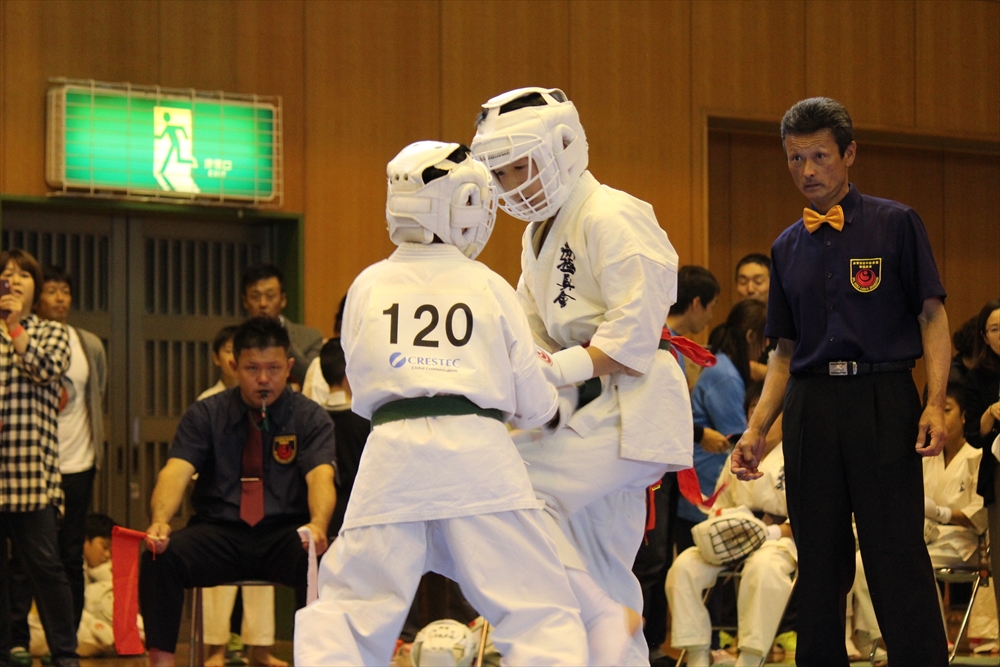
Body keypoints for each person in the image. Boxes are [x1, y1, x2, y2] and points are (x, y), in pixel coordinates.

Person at [293, 141, 588, 665]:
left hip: (390, 455)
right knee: (536, 606)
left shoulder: (367, 285)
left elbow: (358, 385)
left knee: (351, 606)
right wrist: (552, 409)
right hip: (478, 458)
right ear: (462, 203)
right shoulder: (488, 285)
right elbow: (532, 398)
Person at [471, 87, 693, 665]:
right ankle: (609, 631)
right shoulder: (535, 234)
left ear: (563, 147)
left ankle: (595, 615)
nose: (509, 185)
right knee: (600, 562)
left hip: (631, 405)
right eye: (498, 173)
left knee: (510, 484)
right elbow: (529, 330)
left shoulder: (614, 213)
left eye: (518, 167)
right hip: (585, 407)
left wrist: (557, 367)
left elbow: (635, 328)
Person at [732, 96, 951, 666]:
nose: (807, 170)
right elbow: (783, 352)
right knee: (819, 557)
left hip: (882, 397)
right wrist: (757, 427)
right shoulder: (785, 247)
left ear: (849, 154)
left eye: (820, 156)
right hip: (810, 405)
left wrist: (934, 401)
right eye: (795, 158)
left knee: (895, 551)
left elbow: (932, 318)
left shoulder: (896, 223)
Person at [139, 316, 335, 667]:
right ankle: (162, 663)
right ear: (234, 366)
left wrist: (319, 525)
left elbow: (321, 476)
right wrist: (160, 521)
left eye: (273, 368)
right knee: (159, 556)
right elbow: (175, 472)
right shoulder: (206, 414)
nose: (263, 379)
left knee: (329, 559)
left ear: (289, 366)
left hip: (284, 534)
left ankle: (322, 661)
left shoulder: (310, 417)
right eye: (252, 368)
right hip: (218, 532)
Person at [5, 266, 107, 667]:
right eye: (53, 290)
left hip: (63, 463)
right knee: (19, 563)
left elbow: (84, 389)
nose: (60, 298)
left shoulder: (76, 340)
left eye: (66, 291)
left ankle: (65, 646)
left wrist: (15, 327)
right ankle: (15, 640)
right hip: (15, 461)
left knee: (61, 557)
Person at [853, 382, 998, 656]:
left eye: (947, 409)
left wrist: (940, 512)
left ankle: (933, 644)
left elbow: (979, 516)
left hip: (963, 544)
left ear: (964, 416)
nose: (940, 417)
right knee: (863, 562)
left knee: (914, 562)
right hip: (924, 535)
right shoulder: (926, 455)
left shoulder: (977, 456)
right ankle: (885, 641)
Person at [667, 382, 795, 667]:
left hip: (781, 540)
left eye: (769, 411)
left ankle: (750, 657)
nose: (759, 418)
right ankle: (698, 654)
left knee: (763, 569)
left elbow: (809, 522)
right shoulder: (738, 455)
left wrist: (770, 531)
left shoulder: (800, 455)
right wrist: (731, 527)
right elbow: (719, 507)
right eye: (753, 410)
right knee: (684, 567)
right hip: (734, 537)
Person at [635, 265, 722, 656]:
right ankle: (637, 647)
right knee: (648, 561)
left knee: (660, 561)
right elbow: (658, 409)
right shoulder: (654, 343)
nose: (711, 317)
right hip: (646, 468)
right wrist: (700, 435)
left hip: (666, 466)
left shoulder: (674, 345)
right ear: (697, 303)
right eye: (711, 307)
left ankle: (653, 647)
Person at [0, 249, 80, 667]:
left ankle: (65, 655)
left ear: (36, 287)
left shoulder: (51, 332)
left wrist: (14, 326)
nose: (13, 280)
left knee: (46, 569)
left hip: (31, 475)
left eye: (23, 275)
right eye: (6, 274)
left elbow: (45, 369)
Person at [195, 324, 285, 667]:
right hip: (221, 502)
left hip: (262, 500)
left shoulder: (271, 401)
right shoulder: (208, 403)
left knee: (263, 578)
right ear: (221, 360)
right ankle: (215, 650)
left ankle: (260, 649)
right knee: (216, 579)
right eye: (229, 351)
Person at [676, 299, 767, 553]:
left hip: (708, 479)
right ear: (751, 336)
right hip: (705, 482)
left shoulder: (727, 367)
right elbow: (739, 436)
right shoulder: (725, 375)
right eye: (764, 340)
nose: (766, 347)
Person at [28, 513, 146, 659]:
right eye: (104, 546)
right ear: (85, 540)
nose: (107, 555)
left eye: (111, 551)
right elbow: (70, 611)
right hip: (39, 623)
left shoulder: (94, 571)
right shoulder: (66, 565)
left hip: (76, 626)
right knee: (85, 633)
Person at [965, 299, 1000, 626]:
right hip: (998, 473)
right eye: (995, 329)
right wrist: (991, 412)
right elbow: (974, 435)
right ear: (985, 336)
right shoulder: (978, 376)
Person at [241, 263, 324, 386]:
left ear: (283, 300)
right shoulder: (233, 339)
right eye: (256, 297)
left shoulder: (311, 338)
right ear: (245, 301)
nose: (263, 304)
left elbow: (313, 380)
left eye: (270, 296)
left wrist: (280, 339)